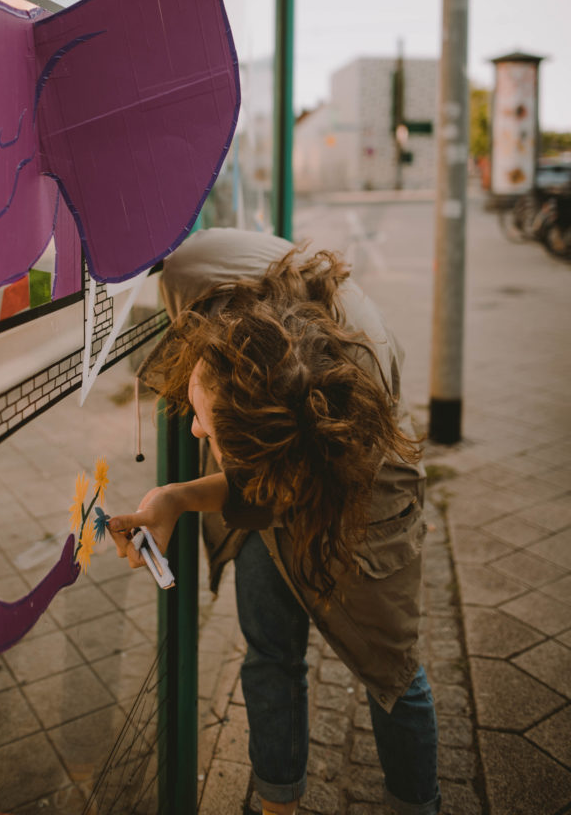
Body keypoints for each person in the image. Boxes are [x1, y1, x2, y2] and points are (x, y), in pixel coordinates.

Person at [110, 228, 440, 815]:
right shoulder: (197, 276)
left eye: (204, 426)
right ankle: (277, 804)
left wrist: (183, 496)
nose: (192, 429)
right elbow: (263, 485)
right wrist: (176, 500)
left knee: (390, 670)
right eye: (207, 415)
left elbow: (281, 485)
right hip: (287, 443)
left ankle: (417, 805)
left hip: (368, 491)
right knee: (268, 651)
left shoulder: (358, 379)